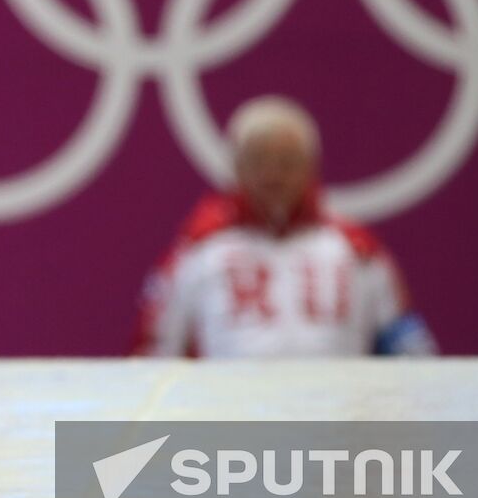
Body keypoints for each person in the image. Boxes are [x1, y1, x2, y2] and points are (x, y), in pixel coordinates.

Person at [131, 95, 434, 358]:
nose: (273, 175)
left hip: (337, 415)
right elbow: (155, 353)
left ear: (311, 166)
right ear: (236, 166)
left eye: (287, 162)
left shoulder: (357, 248)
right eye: (259, 161)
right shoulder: (197, 249)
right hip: (233, 417)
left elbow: (407, 347)